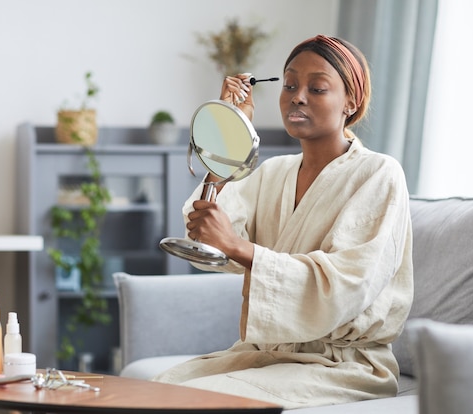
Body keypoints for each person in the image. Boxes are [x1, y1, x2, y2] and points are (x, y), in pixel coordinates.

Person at [153, 34, 414, 409]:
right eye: (290, 84)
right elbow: (207, 243)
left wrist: (237, 247)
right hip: (270, 356)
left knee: (201, 403)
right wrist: (230, 131)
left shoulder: (378, 173)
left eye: (317, 88)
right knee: (160, 389)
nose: (298, 96)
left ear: (351, 102)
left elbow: (345, 285)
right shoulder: (274, 172)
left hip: (342, 367)